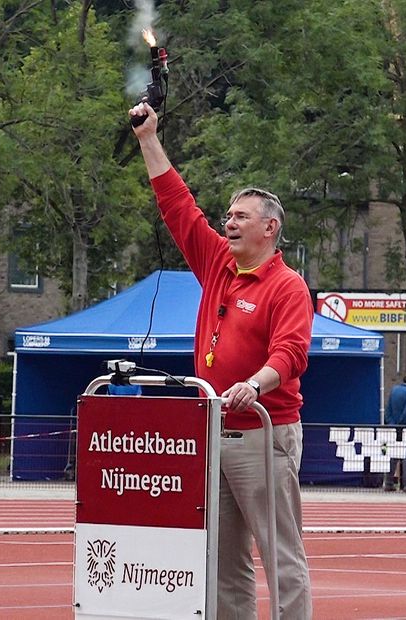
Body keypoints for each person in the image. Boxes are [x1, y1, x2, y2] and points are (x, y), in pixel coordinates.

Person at [130, 102, 313, 619]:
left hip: (263, 434)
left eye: (240, 217)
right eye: (228, 216)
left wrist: (255, 383)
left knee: (281, 557)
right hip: (214, 431)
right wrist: (149, 139)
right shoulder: (216, 264)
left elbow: (292, 352)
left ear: (270, 228)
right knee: (224, 560)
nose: (228, 223)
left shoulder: (287, 286)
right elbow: (178, 208)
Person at [384, 371, 406, 492]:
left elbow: (388, 409)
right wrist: (402, 424)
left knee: (393, 453)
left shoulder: (394, 390)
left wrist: (391, 422)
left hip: (393, 426)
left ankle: (388, 482)